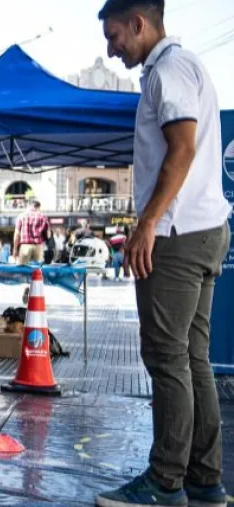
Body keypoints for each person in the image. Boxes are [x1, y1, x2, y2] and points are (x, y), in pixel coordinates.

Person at [95, 1, 233, 506]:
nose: (112, 49)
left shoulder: (167, 71)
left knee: (166, 356)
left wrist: (147, 223)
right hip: (206, 228)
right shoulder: (188, 65)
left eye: (115, 36)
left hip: (177, 235)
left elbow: (182, 149)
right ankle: (204, 480)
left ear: (139, 23)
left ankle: (165, 482)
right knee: (192, 358)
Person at [13, 200, 49, 265]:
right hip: (38, 247)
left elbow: (17, 234)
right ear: (38, 207)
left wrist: (15, 249)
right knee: (37, 269)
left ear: (30, 206)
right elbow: (48, 234)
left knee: (23, 268)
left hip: (25, 247)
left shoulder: (21, 216)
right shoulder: (43, 216)